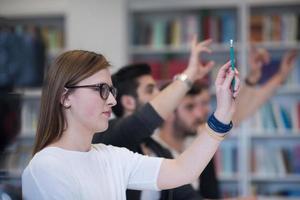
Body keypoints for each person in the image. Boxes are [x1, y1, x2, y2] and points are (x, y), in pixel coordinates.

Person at [22, 48, 240, 199]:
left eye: (111, 90)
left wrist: (221, 114)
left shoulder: (111, 156)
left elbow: (183, 170)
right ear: (65, 96)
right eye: (101, 89)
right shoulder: (47, 168)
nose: (112, 100)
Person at [153, 48, 297, 199]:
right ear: (168, 113)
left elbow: (236, 114)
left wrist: (277, 76)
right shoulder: (151, 152)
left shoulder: (194, 136)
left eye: (204, 104)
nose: (200, 113)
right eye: (190, 107)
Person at [92, 38, 214, 199]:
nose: (158, 95)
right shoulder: (111, 135)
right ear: (128, 101)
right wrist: (189, 75)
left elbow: (187, 196)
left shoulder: (157, 149)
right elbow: (145, 118)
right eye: (150, 90)